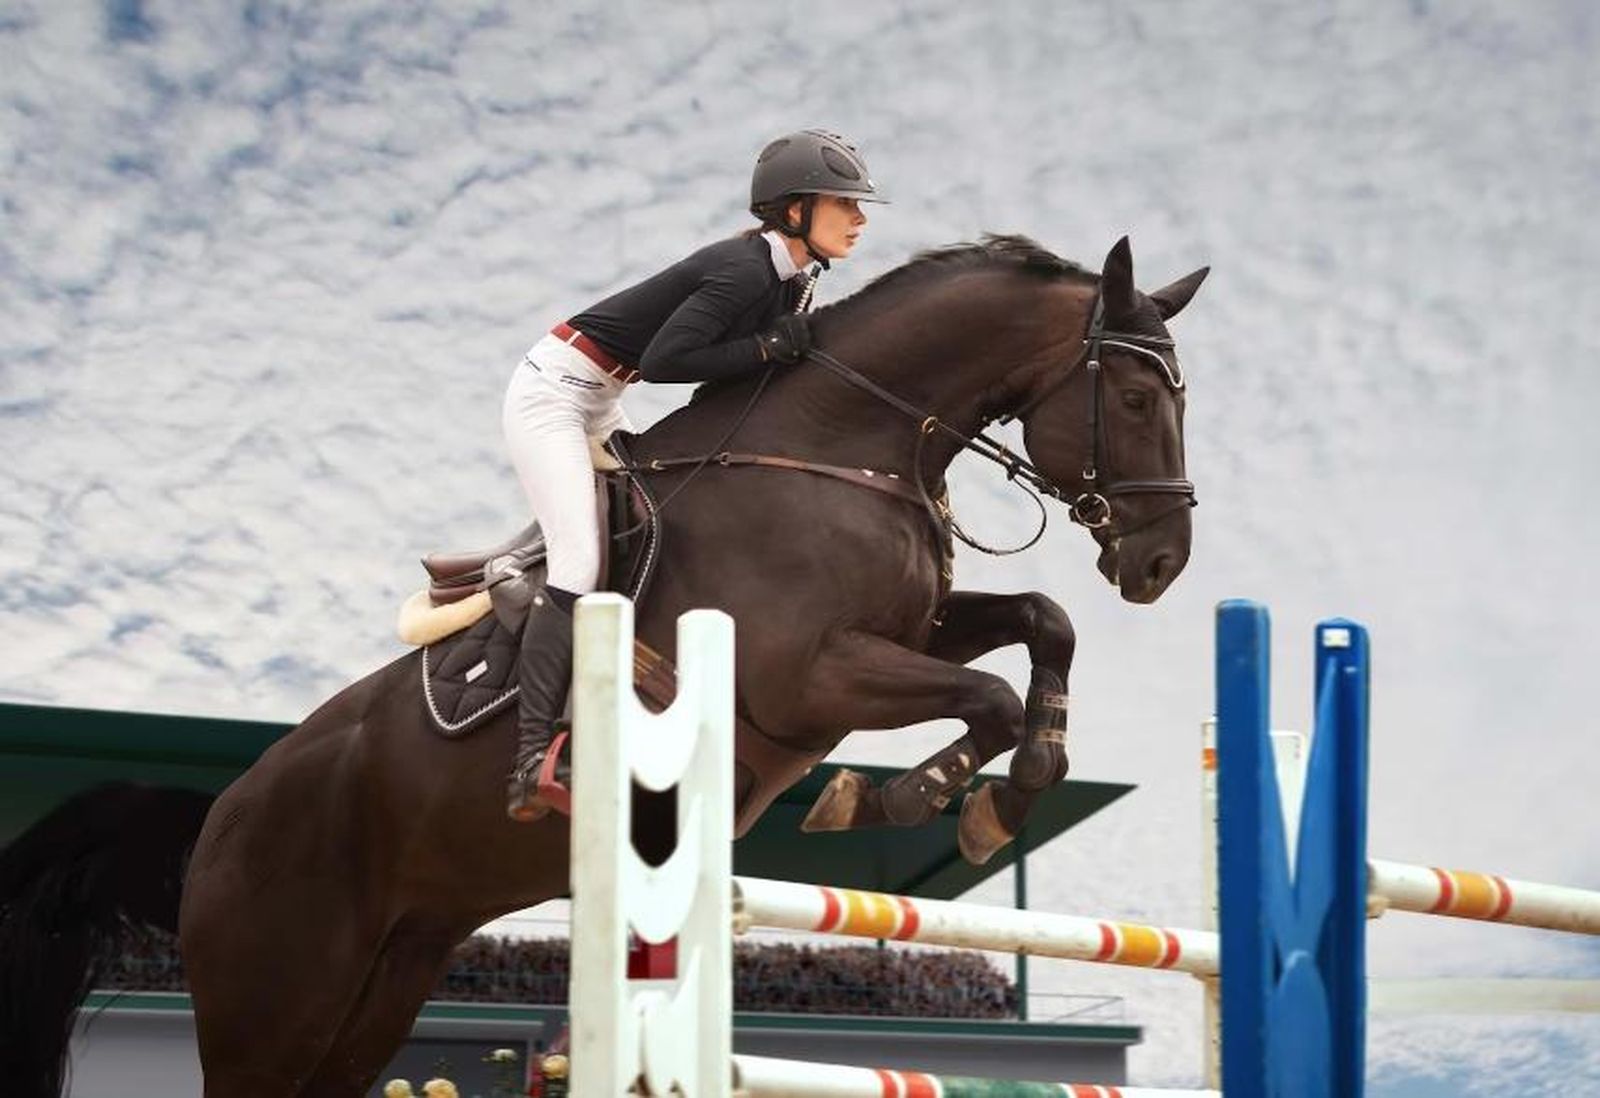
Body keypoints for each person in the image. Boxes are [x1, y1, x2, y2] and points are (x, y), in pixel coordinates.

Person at [502, 129, 885, 822]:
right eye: (844, 203)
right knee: (580, 557)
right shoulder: (744, 271)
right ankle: (532, 758)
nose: (860, 218)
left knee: (665, 514)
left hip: (601, 398)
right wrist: (768, 346)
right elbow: (668, 360)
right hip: (553, 394)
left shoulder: (790, 279)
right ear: (794, 209)